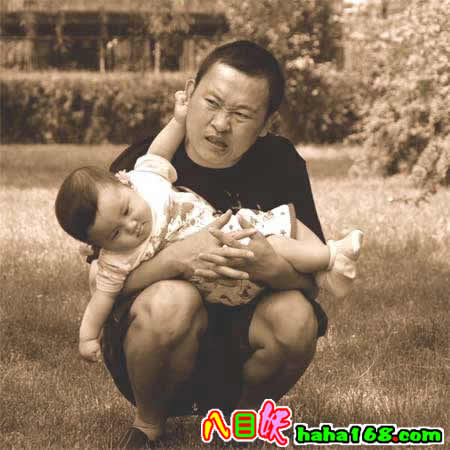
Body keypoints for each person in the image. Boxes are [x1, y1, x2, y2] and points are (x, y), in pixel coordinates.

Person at [87, 40, 350, 448]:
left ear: (267, 123)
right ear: (190, 92)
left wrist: (271, 268)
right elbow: (102, 281)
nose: (221, 124)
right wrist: (176, 260)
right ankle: (149, 423)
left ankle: (242, 420)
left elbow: (312, 281)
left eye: (241, 115)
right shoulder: (143, 167)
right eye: (212, 103)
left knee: (297, 317)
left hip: (243, 336)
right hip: (152, 342)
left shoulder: (280, 163)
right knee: (172, 300)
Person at [55, 93, 363, 362]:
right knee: (276, 243)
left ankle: (326, 267)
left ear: (126, 185)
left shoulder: (145, 182)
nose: (131, 225)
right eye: (115, 233)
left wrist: (178, 120)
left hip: (230, 234)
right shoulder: (116, 259)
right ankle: (331, 257)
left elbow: (158, 152)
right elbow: (101, 300)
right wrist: (87, 337)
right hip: (218, 280)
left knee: (284, 228)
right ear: (100, 244)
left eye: (126, 210)